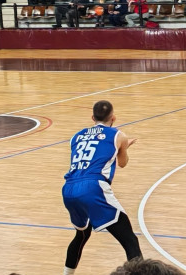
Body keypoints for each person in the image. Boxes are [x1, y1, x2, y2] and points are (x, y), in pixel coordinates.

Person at [62, 100, 142, 275]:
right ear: (113, 118)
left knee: (82, 235)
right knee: (130, 241)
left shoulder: (76, 136)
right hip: (93, 188)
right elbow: (122, 163)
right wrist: (124, 147)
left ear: (92, 117)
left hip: (69, 189)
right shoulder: (118, 135)